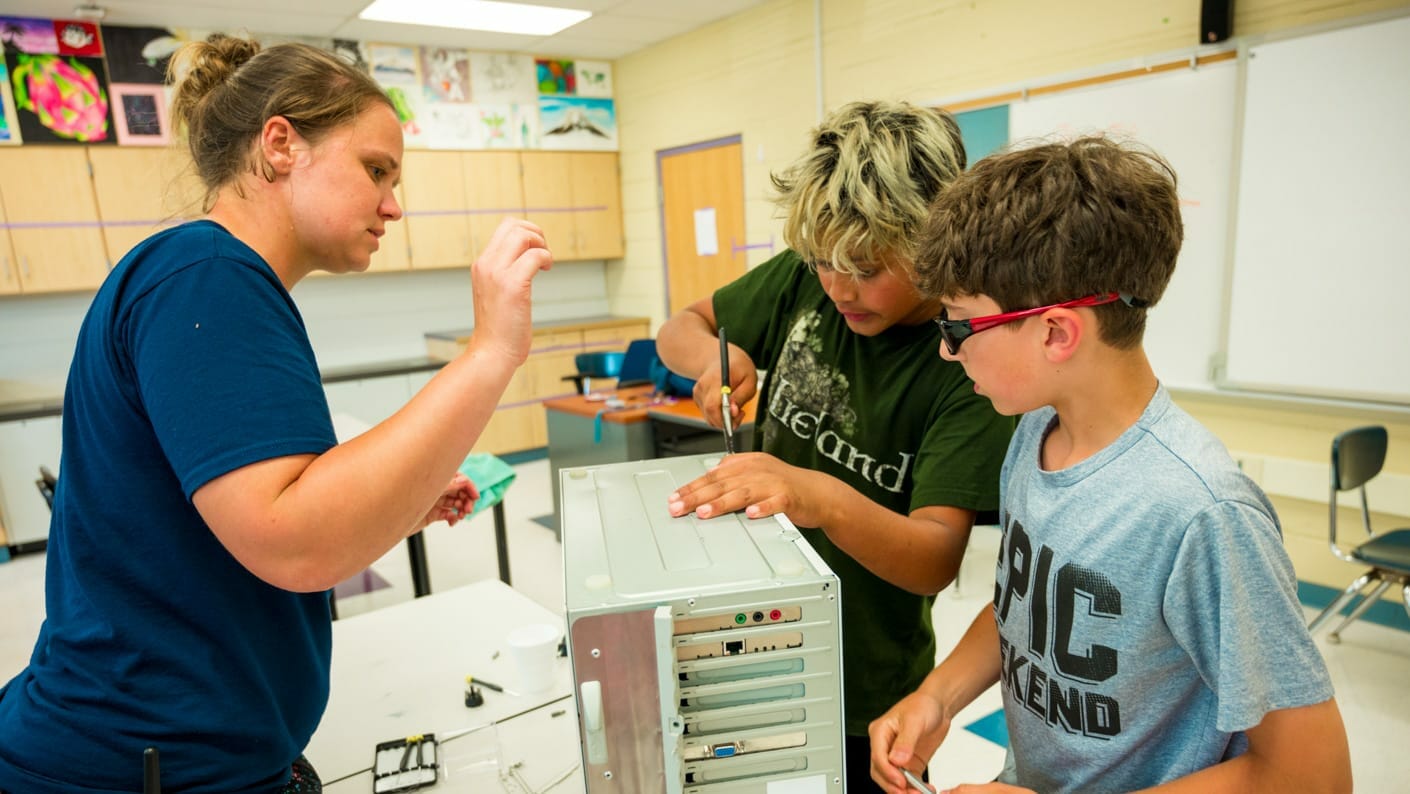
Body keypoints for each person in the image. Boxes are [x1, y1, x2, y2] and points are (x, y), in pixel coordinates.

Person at [0, 35, 552, 793]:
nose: (393, 204)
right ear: (282, 143)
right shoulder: (206, 276)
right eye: (376, 170)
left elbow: (240, 520)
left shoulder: (208, 277)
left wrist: (390, 505)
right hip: (130, 765)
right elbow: (296, 541)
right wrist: (489, 352)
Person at [868, 136, 1351, 793]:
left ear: (1056, 332)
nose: (948, 354)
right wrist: (939, 695)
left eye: (957, 328)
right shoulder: (1035, 428)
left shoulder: (1202, 512)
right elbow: (1027, 612)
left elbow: (1310, 775)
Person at [655, 100, 1014, 790]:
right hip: (753, 643)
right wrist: (710, 357)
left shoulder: (967, 361)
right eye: (824, 261)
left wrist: (817, 495)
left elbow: (934, 557)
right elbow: (685, 323)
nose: (838, 287)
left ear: (930, 244)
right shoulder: (801, 281)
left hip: (864, 686)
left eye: (867, 268)